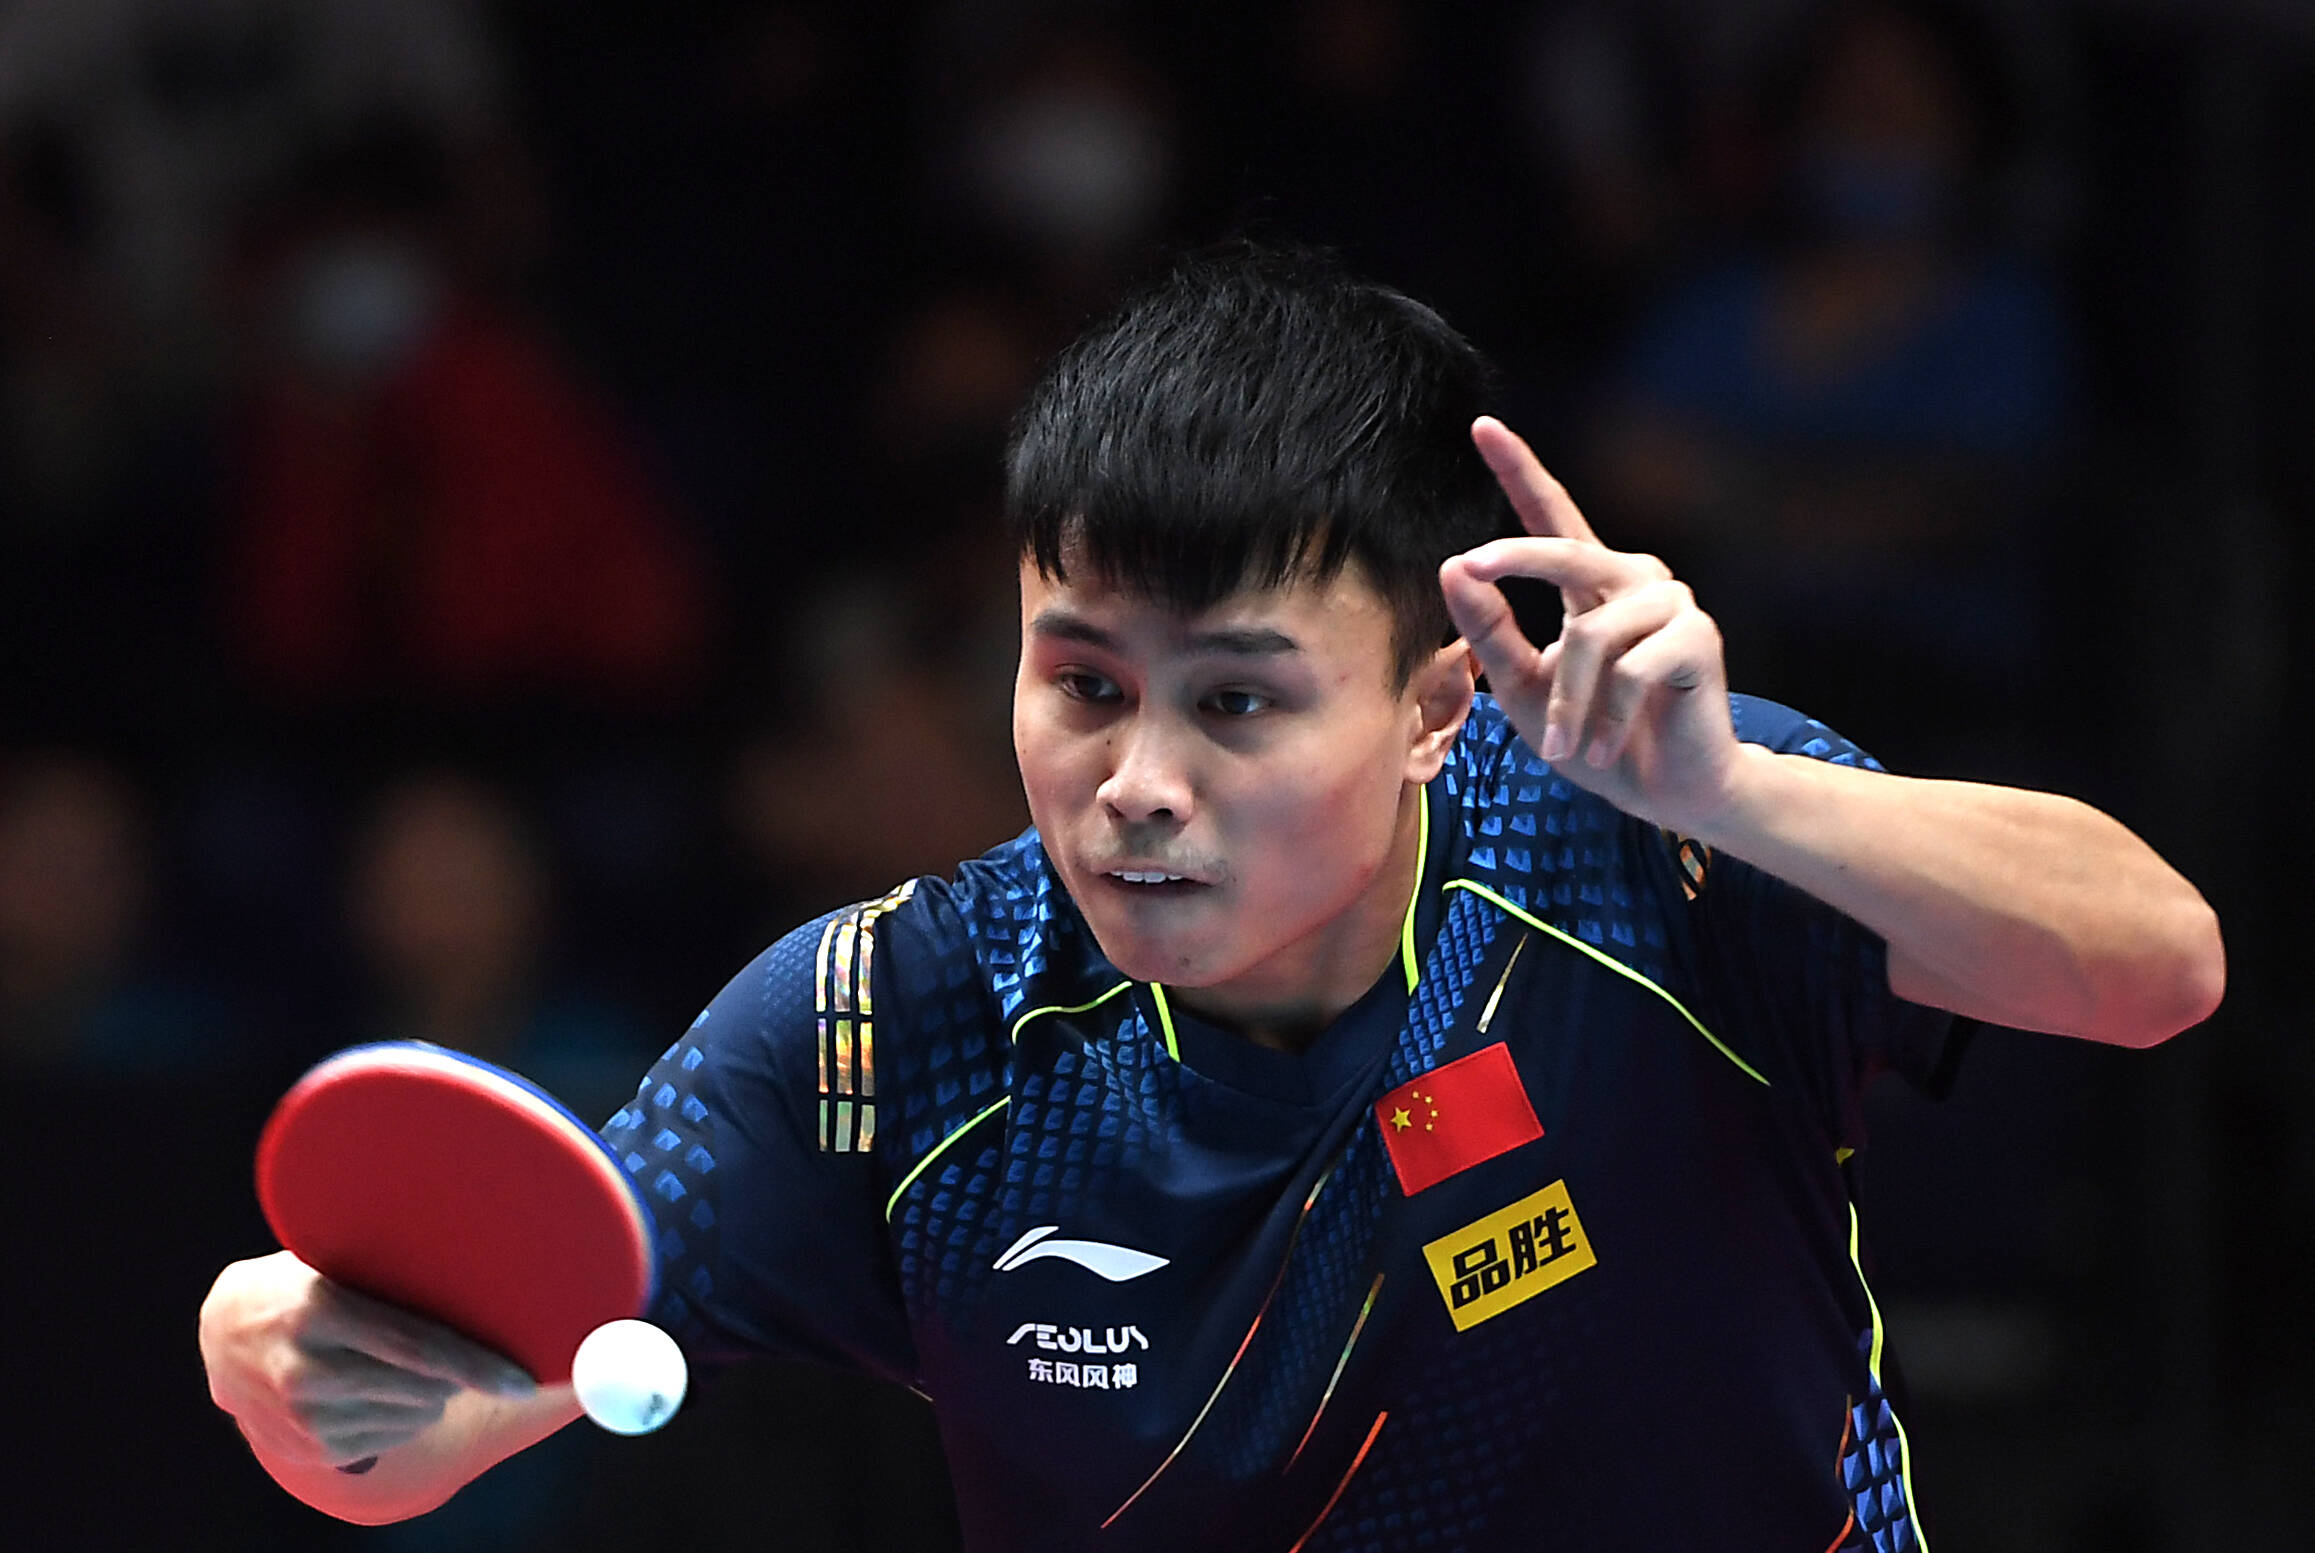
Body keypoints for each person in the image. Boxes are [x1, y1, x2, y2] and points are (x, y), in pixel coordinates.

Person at [197, 247, 2221, 1550]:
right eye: (1082, 683)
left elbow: (2158, 966)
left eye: (1238, 701)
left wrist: (1740, 792)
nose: (1139, 781)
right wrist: (293, 1357)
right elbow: (430, 1383)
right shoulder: (897, 1021)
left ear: (1433, 705)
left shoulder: (1652, 836)